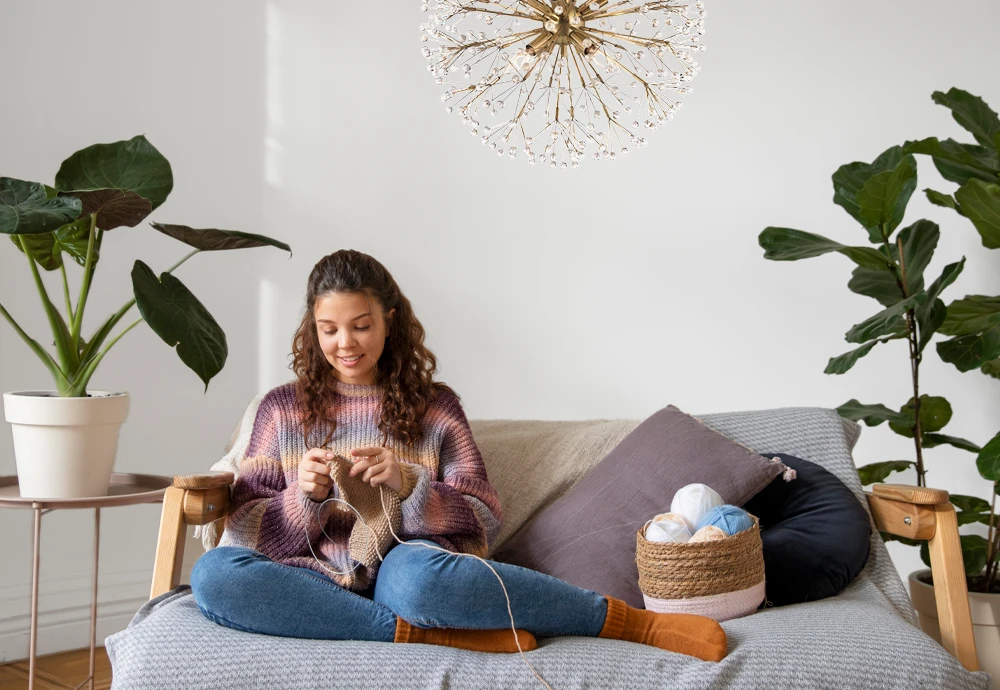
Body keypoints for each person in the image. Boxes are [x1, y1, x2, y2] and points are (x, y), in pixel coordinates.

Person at [191, 249, 726, 659]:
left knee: (422, 582)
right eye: (329, 330)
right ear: (313, 328)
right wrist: (301, 499)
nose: (345, 344)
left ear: (390, 319)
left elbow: (486, 516)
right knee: (215, 575)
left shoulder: (435, 407)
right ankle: (416, 634)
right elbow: (243, 527)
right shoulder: (282, 410)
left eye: (361, 325)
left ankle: (631, 623)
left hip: (408, 566)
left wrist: (408, 486)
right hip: (313, 577)